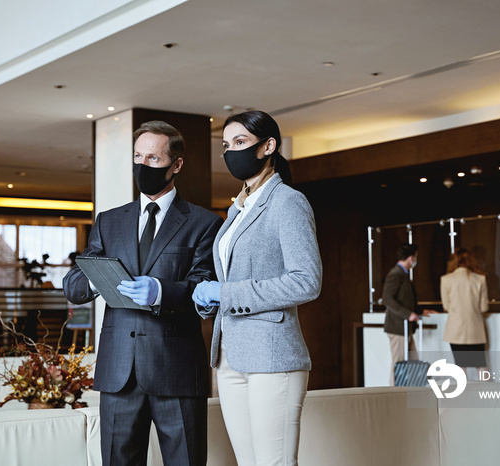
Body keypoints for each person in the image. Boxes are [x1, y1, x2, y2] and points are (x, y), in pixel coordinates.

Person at [63, 120, 222, 466]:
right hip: (118, 372)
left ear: (175, 165)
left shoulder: (205, 223)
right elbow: (74, 286)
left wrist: (161, 292)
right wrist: (97, 279)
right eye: (138, 156)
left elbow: (204, 288)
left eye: (152, 158)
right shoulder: (108, 221)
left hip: (177, 371)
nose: (142, 165)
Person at [191, 110, 322, 466]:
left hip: (272, 356)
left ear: (268, 147)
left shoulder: (287, 202)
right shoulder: (237, 209)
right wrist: (208, 297)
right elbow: (230, 279)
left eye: (240, 142)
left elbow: (306, 281)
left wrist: (226, 294)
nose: (231, 152)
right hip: (230, 356)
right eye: (226, 145)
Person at [382, 243, 433, 385]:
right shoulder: (396, 274)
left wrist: (419, 311)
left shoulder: (403, 275)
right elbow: (387, 299)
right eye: (415, 257)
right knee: (399, 364)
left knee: (413, 362)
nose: (416, 260)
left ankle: (411, 395)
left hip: (406, 328)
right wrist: (408, 314)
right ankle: (393, 397)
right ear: (411, 258)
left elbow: (405, 300)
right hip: (398, 328)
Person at [440, 247, 489, 377]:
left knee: (460, 366)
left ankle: (464, 397)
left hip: (456, 330)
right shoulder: (480, 279)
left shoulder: (446, 280)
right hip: (475, 329)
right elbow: (484, 307)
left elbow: (446, 306)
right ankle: (488, 395)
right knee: (481, 366)